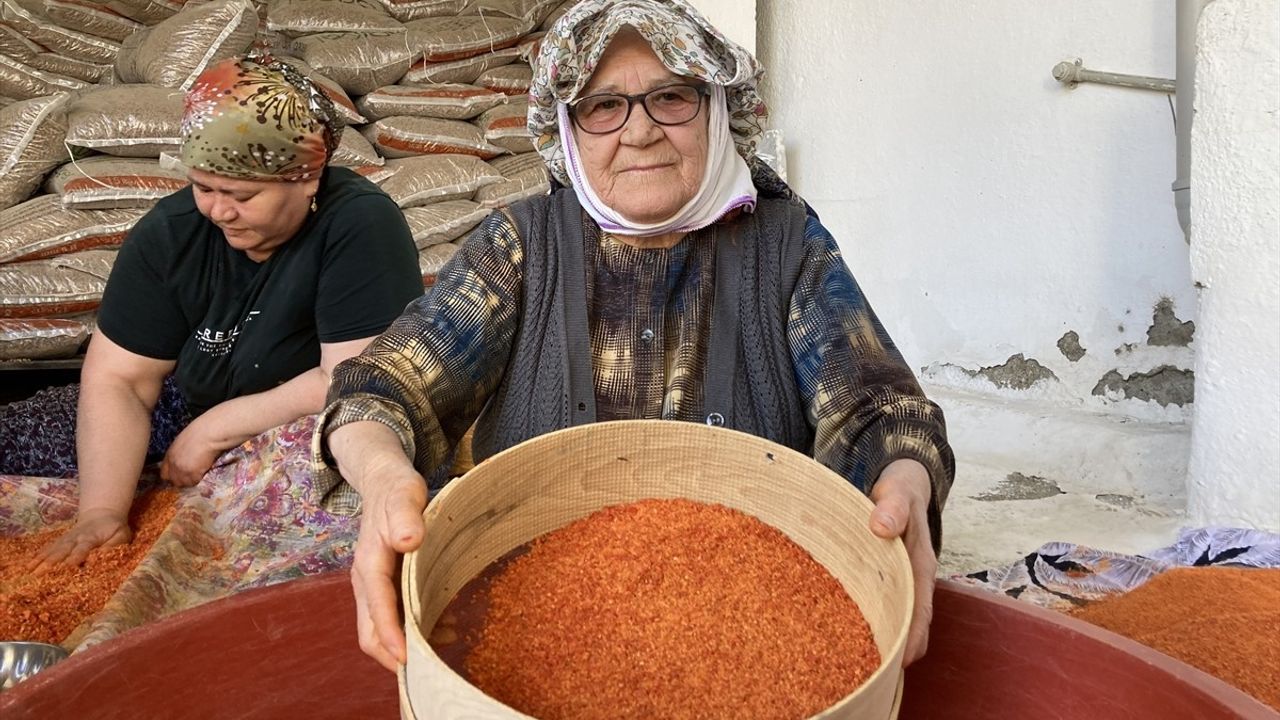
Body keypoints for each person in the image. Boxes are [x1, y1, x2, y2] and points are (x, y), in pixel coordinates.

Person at [317, 0, 955, 673]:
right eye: (602, 106)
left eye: (672, 96)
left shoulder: (786, 244)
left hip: (744, 617)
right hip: (541, 613)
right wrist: (384, 476)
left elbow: (878, 412)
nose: (640, 131)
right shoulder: (524, 244)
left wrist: (905, 478)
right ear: (568, 130)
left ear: (715, 109)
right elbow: (381, 387)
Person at [13, 54, 423, 570]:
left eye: (243, 195)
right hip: (185, 404)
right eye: (204, 188)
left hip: (305, 421)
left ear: (307, 179)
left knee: (323, 506)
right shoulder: (172, 232)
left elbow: (353, 379)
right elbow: (120, 379)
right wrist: (102, 510)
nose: (219, 211)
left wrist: (215, 430)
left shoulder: (360, 225)